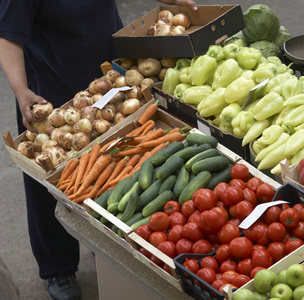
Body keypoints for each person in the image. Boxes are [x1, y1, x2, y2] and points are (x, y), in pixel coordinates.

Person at [0, 1, 197, 299]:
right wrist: (21, 90)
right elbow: (8, 36)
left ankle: (103, 247)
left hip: (109, 83)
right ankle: (58, 269)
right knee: (47, 185)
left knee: (115, 165)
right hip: (54, 98)